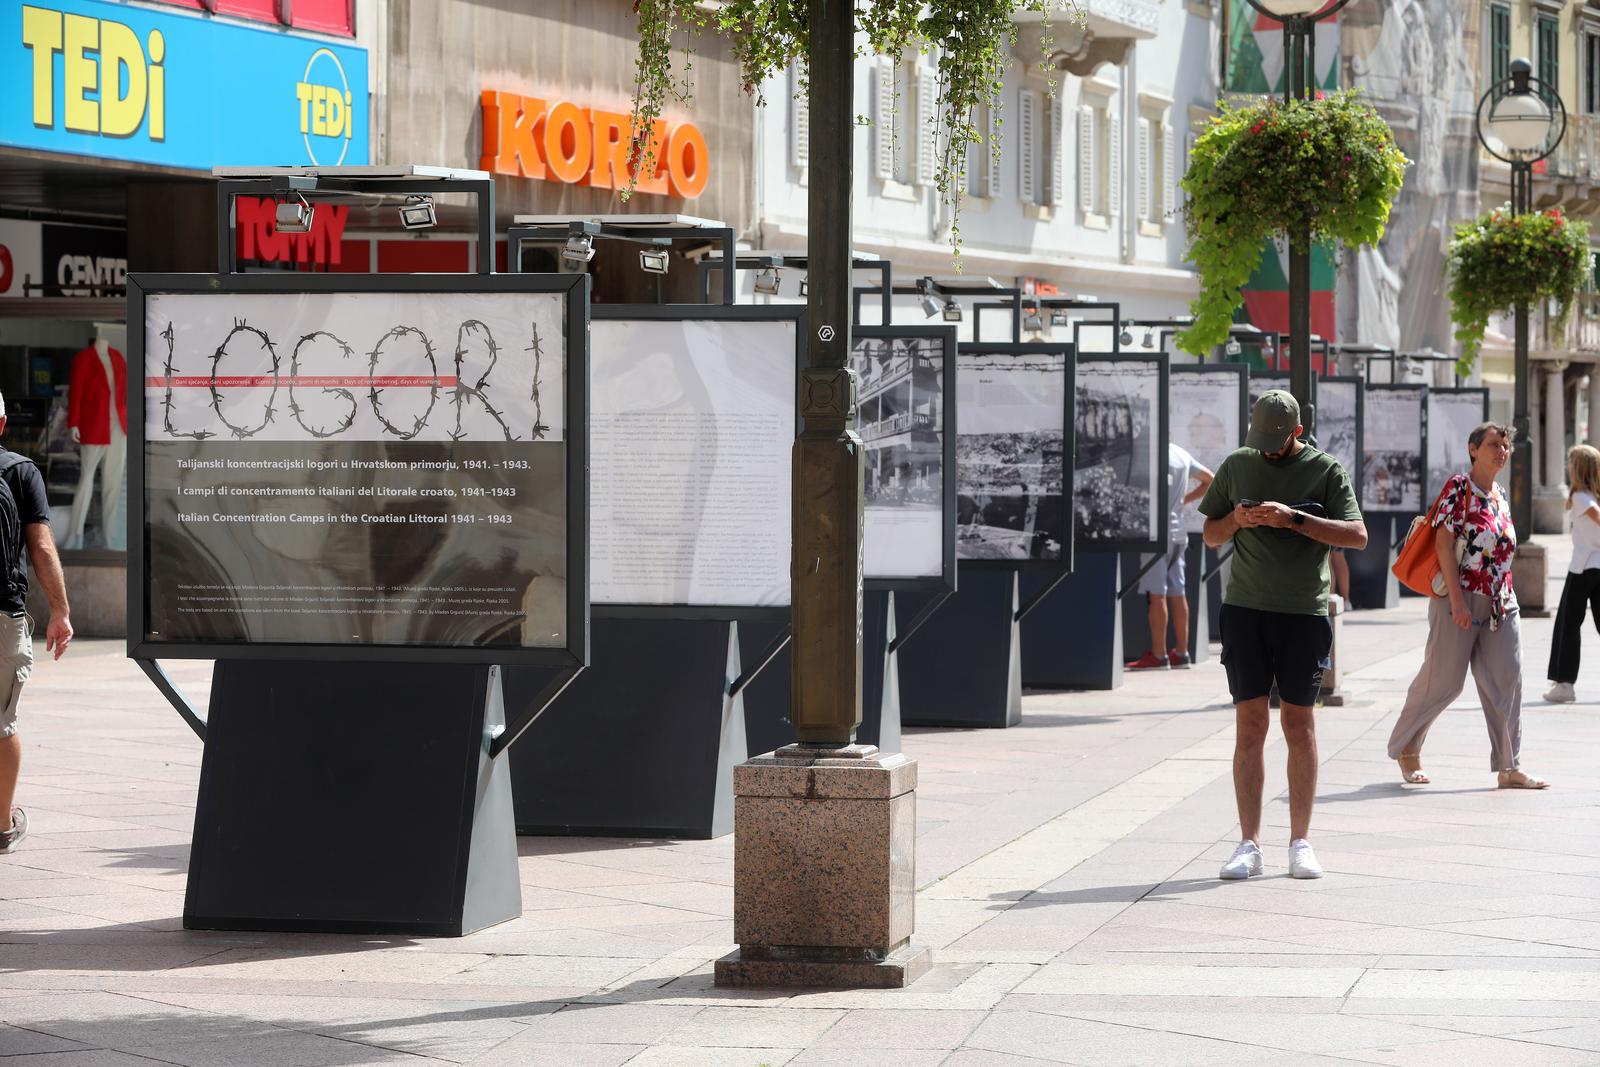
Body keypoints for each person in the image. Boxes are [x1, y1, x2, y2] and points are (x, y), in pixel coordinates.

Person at [1199, 390, 1367, 880]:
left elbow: (1357, 536)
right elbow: (1210, 533)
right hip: (1246, 611)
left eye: (1276, 441)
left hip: (1302, 613)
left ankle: (1300, 842)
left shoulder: (1326, 469)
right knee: (1250, 726)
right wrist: (1236, 519)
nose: (1267, 450)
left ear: (1297, 431)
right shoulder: (1237, 465)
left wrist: (1294, 518)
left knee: (1300, 727)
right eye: (1261, 440)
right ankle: (1249, 842)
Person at [1387, 423, 1546, 789]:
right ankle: (1407, 746)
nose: (1501, 451)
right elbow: (1444, 546)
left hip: (1501, 601)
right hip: (1458, 598)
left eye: (1505, 446)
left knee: (1507, 678)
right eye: (1493, 444)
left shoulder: (1500, 494)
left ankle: (1510, 767)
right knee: (1444, 682)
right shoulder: (1460, 488)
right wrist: (1457, 603)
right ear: (1473, 448)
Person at [0, 391, 73, 854]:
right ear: (4, 423)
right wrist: (60, 612)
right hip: (1, 614)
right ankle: (2, 824)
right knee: (2, 722)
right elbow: (42, 550)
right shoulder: (20, 471)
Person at [1127, 443, 1213, 670]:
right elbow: (1210, 479)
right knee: (1178, 591)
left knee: (1157, 595)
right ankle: (1182, 652)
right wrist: (1185, 499)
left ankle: (1159, 655)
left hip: (1156, 532)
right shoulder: (1181, 453)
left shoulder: (1150, 455)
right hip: (1178, 532)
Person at [1546, 444, 1600, 703]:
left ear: (1577, 468)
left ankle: (1565, 684)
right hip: (1596, 566)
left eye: (1570, 464)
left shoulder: (1581, 498)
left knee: (1568, 624)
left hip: (1582, 568)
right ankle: (1564, 684)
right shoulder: (1593, 496)